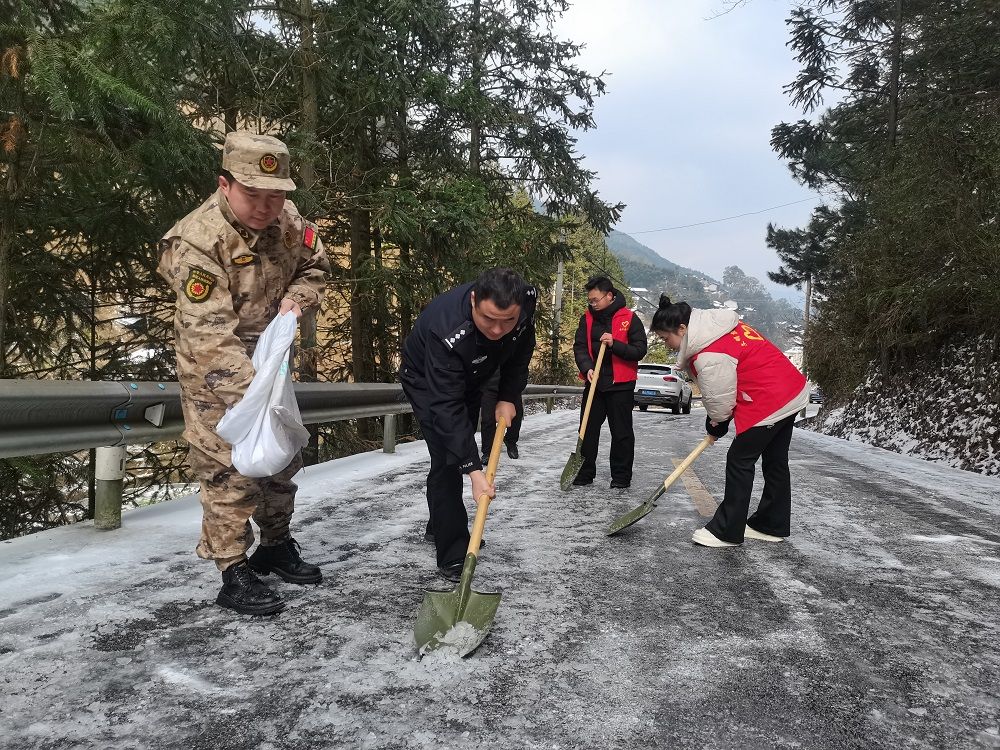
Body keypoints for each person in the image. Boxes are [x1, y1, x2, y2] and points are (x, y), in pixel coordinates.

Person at [157, 131, 330, 614]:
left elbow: (317, 266)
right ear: (225, 184)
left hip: (271, 361)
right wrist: (250, 398)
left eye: (275, 196)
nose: (264, 207)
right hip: (215, 371)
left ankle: (275, 544)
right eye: (253, 194)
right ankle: (231, 569)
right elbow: (208, 332)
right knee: (228, 469)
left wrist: (299, 298)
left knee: (279, 460)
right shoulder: (197, 239)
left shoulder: (290, 223)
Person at [400, 268, 536, 581]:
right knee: (450, 459)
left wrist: (508, 396)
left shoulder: (524, 305)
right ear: (474, 300)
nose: (498, 330)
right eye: (489, 319)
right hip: (427, 380)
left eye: (508, 321)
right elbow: (447, 409)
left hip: (475, 375)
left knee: (459, 451)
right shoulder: (446, 329)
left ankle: (440, 524)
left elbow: (520, 352)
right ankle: (453, 553)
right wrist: (474, 471)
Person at [650, 295, 808, 548]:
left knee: (740, 460)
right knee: (775, 460)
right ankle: (770, 524)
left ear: (682, 329)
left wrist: (717, 423)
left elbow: (720, 399)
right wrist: (719, 422)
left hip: (768, 399)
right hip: (790, 390)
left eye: (666, 338)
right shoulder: (719, 327)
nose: (667, 344)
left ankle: (727, 530)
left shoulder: (709, 351)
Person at [571, 275, 647, 489]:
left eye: (595, 300)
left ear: (610, 296)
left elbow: (639, 351)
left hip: (620, 385)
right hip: (594, 384)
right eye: (590, 300)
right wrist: (586, 367)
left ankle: (621, 478)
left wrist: (616, 344)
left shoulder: (629, 318)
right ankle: (584, 473)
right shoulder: (586, 318)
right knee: (587, 430)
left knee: (621, 433)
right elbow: (580, 347)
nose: (592, 304)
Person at [480, 369, 523, 462]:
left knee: (517, 414)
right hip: (490, 382)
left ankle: (510, 441)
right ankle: (488, 452)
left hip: (511, 382)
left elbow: (521, 367)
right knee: (488, 417)